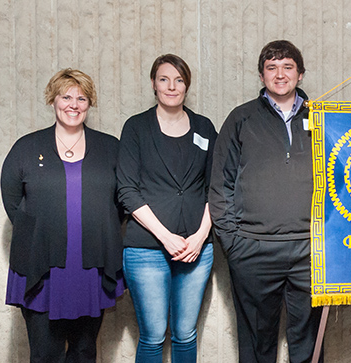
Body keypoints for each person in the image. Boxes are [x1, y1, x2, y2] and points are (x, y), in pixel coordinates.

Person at [0, 68, 124, 363]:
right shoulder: (26, 148)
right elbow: (13, 200)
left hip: (91, 266)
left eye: (82, 98)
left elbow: (121, 202)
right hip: (42, 265)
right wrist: (43, 228)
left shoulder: (110, 147)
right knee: (45, 354)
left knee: (84, 352)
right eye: (66, 96)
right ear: (53, 100)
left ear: (90, 103)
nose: (74, 104)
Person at [209, 40, 321, 363]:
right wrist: (233, 243)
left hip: (311, 250)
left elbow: (342, 182)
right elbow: (220, 184)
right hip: (253, 250)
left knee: (310, 342)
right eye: (271, 68)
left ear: (300, 74)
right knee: (257, 341)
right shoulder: (240, 119)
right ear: (261, 76)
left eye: (287, 67)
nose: (280, 74)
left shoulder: (323, 118)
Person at [117, 54, 217, 363]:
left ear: (187, 85)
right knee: (153, 334)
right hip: (146, 247)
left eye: (179, 80)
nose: (171, 86)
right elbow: (127, 191)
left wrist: (200, 237)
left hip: (196, 247)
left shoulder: (204, 126)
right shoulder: (136, 127)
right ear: (153, 84)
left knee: (186, 334)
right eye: (164, 79)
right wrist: (166, 237)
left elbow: (215, 188)